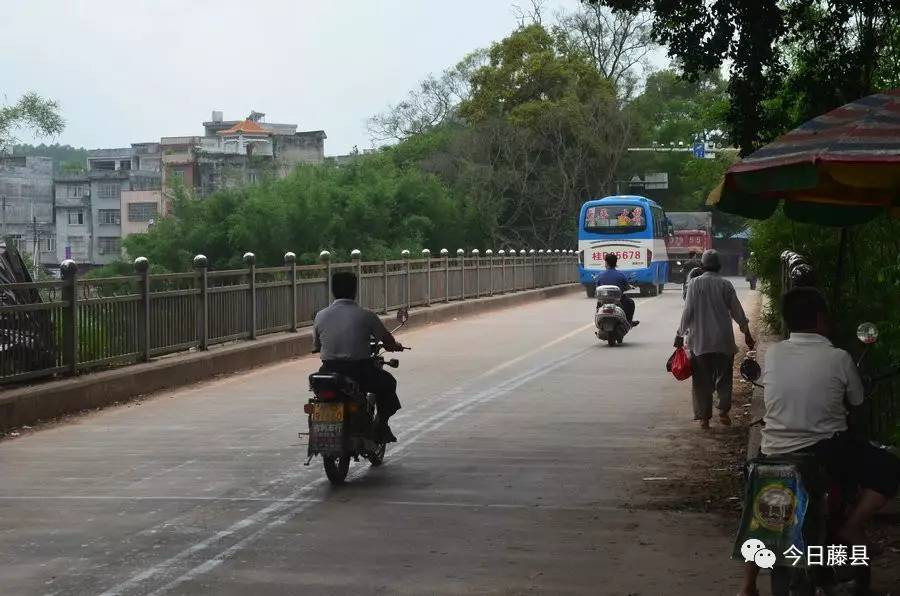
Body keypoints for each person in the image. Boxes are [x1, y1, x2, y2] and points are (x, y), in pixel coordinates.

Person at [739, 287, 900, 596]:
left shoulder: (773, 353)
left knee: (761, 511)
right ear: (821, 319)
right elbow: (856, 399)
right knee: (889, 466)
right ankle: (852, 526)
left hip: (773, 450)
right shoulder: (838, 357)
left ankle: (747, 584)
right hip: (824, 452)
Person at [313, 271, 404, 442]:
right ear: (354, 290)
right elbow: (387, 340)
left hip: (329, 370)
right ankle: (381, 426)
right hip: (359, 371)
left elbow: (316, 345)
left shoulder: (321, 315)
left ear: (333, 290)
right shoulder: (366, 315)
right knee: (389, 383)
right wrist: (394, 346)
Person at [675, 249, 754, 429]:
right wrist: (747, 334)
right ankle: (723, 411)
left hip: (700, 342)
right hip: (723, 341)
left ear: (702, 266)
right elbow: (738, 313)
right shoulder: (725, 285)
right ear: (720, 266)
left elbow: (687, 313)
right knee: (724, 377)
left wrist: (679, 334)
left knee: (702, 380)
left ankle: (704, 418)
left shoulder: (694, 284)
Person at [593, 253, 638, 326]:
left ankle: (598, 322)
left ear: (606, 263)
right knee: (630, 303)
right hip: (619, 300)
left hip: (604, 301)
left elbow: (597, 288)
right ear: (615, 263)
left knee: (598, 305)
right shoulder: (621, 275)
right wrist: (630, 287)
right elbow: (626, 286)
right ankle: (629, 322)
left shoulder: (600, 275)